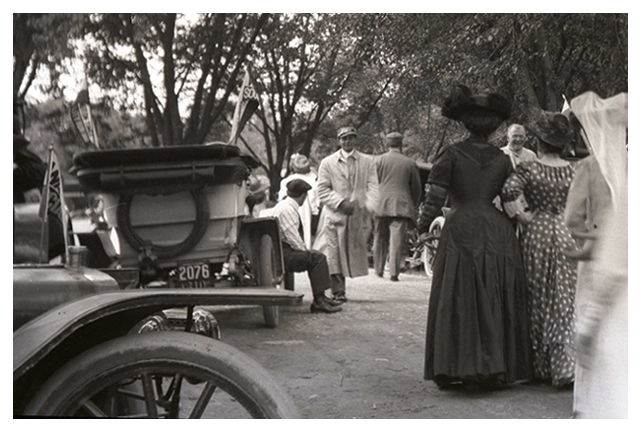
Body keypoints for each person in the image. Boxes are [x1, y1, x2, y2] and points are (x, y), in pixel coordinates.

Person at [417, 85, 532, 390]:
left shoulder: (452, 154)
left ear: (465, 123)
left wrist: (422, 226)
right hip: (496, 231)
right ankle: (493, 366)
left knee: (459, 295)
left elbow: (435, 196)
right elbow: (510, 200)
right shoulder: (502, 158)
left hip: (460, 228)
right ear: (494, 126)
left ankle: (456, 366)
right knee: (491, 295)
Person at [502, 111, 578, 389]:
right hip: (566, 233)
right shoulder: (573, 171)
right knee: (563, 296)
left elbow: (509, 191)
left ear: (541, 143)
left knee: (536, 295)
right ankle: (564, 365)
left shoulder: (529, 168)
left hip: (537, 233)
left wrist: (523, 215)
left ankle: (538, 366)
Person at [565, 91, 627, 418]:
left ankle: (588, 405)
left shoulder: (588, 166)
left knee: (596, 328)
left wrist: (595, 239)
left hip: (602, 261)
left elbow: (571, 220)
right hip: (623, 262)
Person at [314, 126, 379, 303]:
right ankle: (338, 291)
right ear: (339, 141)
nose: (347, 141)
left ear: (355, 139)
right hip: (335, 215)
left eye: (350, 138)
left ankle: (341, 287)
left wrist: (367, 206)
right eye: (343, 138)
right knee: (333, 252)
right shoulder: (328, 163)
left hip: (357, 216)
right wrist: (340, 202)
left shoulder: (367, 161)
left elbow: (373, 186)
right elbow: (321, 189)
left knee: (351, 252)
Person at [271, 179, 343, 313]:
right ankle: (319, 300)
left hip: (279, 251)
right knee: (318, 257)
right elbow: (292, 236)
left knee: (315, 255)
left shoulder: (283, 206)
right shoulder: (288, 210)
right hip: (283, 254)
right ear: (303, 195)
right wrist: (305, 251)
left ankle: (322, 297)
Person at [373, 132, 422, 281]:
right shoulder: (410, 163)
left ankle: (378, 270)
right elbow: (416, 188)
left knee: (379, 237)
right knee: (396, 238)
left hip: (380, 203)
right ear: (401, 144)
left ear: (388, 144)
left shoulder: (377, 161)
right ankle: (394, 273)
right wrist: (412, 203)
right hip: (401, 205)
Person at [278, 154, 320, 249]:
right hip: (306, 211)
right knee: (306, 235)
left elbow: (281, 199)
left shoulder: (285, 181)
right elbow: (316, 205)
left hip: (289, 210)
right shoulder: (313, 181)